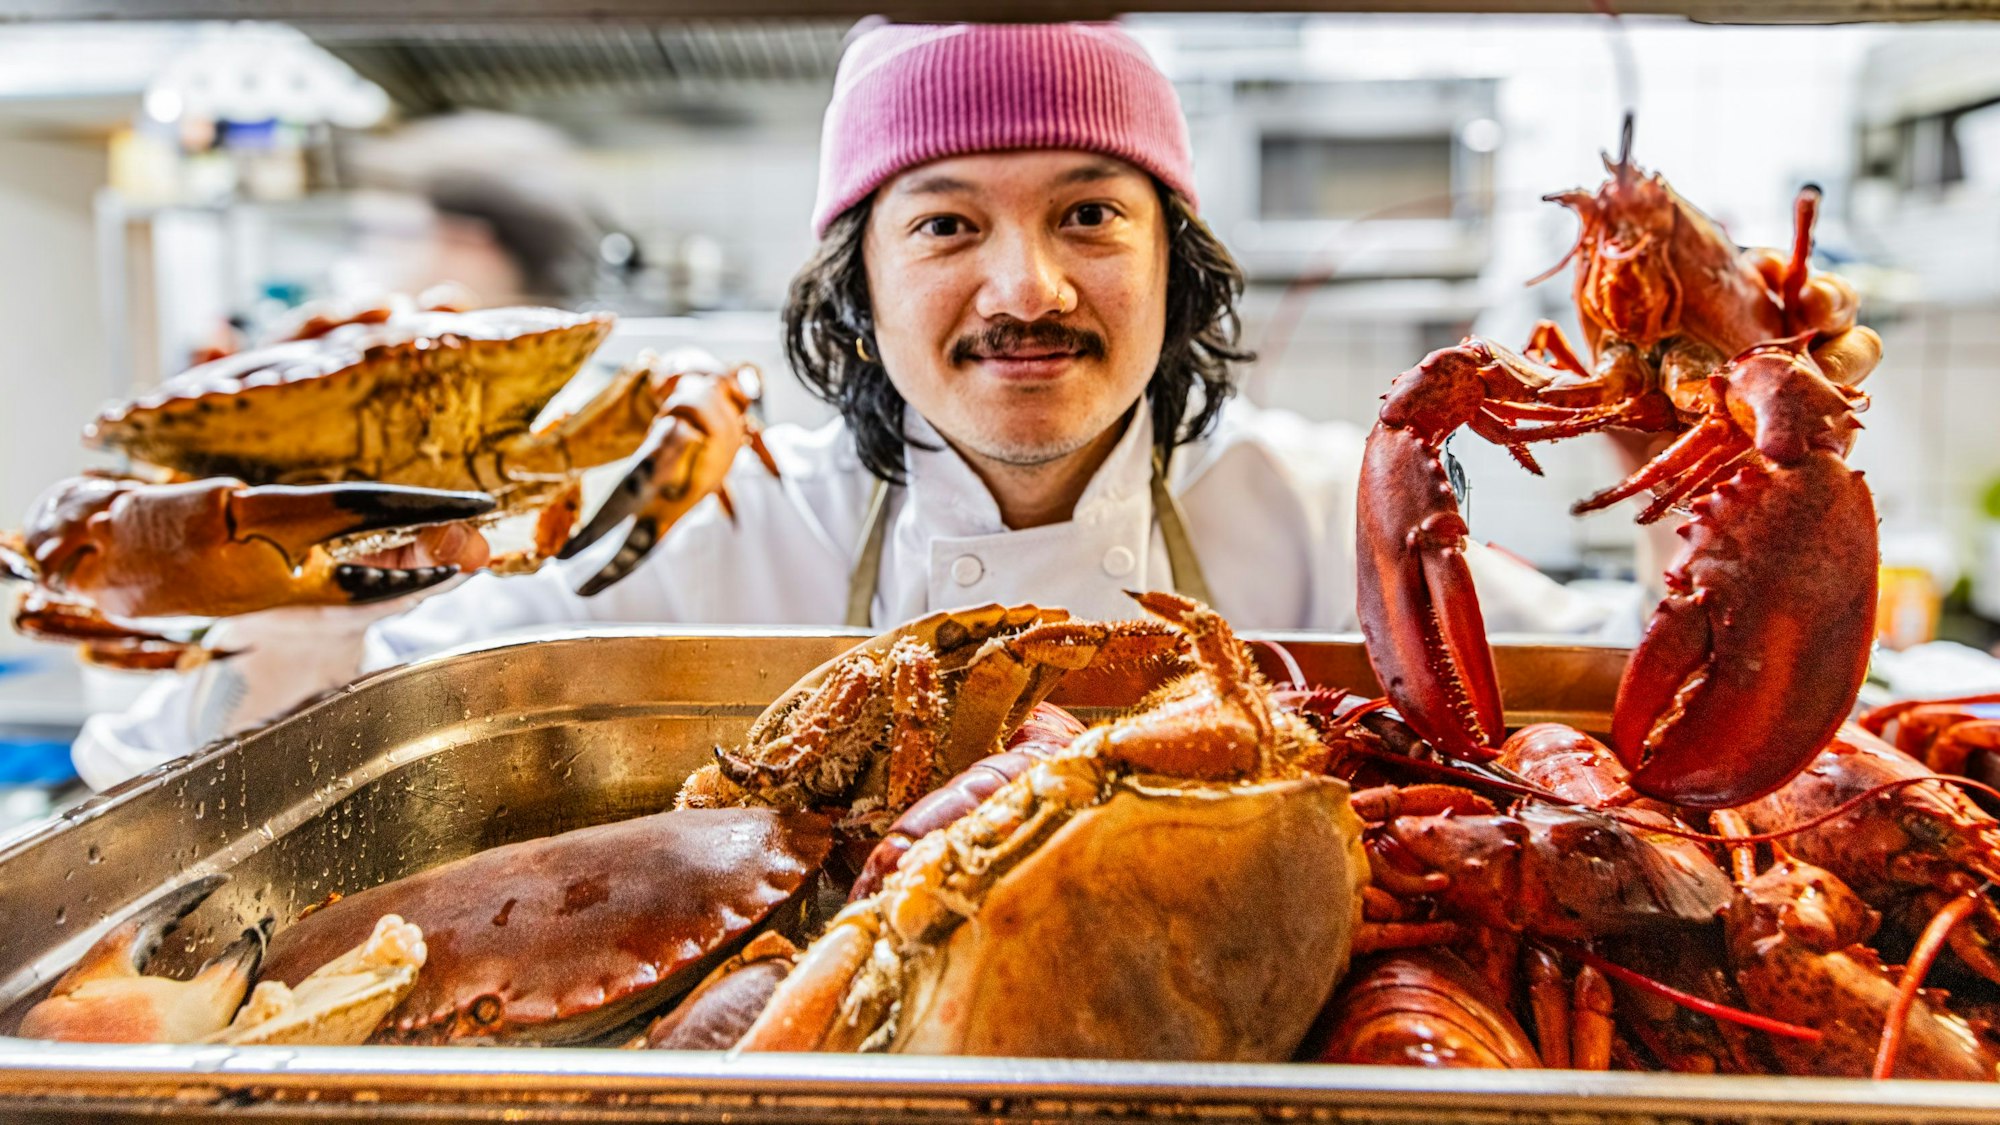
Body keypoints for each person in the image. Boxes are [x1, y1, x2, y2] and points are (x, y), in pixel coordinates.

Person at [76, 22, 1754, 787]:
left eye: (1091, 212)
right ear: (854, 280)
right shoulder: (699, 528)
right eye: (946, 222)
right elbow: (306, 750)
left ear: (1176, 260)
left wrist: (1716, 461)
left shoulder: (1332, 516)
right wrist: (282, 588)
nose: (1026, 285)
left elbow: (1660, 716)